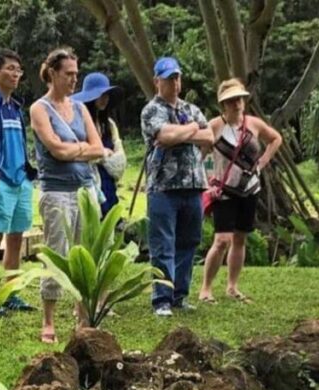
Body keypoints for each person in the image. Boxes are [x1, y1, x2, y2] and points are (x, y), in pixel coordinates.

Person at [30, 48, 104, 343]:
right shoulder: (39, 108)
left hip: (85, 191)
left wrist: (77, 151)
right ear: (52, 73)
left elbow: (99, 148)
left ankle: (82, 315)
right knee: (57, 254)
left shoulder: (81, 108)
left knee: (86, 254)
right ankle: (48, 320)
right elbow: (55, 150)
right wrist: (82, 151)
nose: (74, 79)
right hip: (56, 193)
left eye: (76, 73)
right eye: (69, 74)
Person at [141, 56, 213, 316]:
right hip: (163, 187)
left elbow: (210, 136)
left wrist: (184, 132)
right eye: (169, 78)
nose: (174, 82)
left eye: (177, 77)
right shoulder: (151, 110)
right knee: (163, 244)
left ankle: (180, 295)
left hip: (193, 186)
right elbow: (164, 135)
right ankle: (162, 299)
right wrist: (192, 130)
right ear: (156, 81)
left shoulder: (191, 109)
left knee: (189, 241)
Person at [198, 78, 282, 304]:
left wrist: (263, 162)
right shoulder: (215, 126)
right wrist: (207, 181)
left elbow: (275, 139)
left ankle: (232, 286)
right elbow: (201, 155)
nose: (237, 104)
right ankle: (206, 288)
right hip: (224, 192)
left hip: (249, 189)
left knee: (240, 238)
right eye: (231, 101)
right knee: (222, 239)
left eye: (239, 99)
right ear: (223, 105)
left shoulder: (253, 124)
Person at [0, 48, 35, 314]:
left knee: (15, 239)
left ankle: (10, 294)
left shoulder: (15, 106)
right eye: (10, 68)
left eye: (18, 69)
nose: (15, 74)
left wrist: (27, 174)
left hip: (20, 180)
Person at [72, 72, 126, 218]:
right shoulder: (79, 124)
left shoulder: (109, 125)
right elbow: (78, 153)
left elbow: (120, 157)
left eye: (106, 95)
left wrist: (102, 155)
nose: (104, 99)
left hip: (108, 181)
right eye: (100, 95)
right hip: (87, 180)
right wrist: (102, 153)